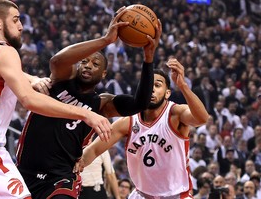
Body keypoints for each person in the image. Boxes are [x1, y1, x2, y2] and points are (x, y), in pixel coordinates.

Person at [0, 0, 113, 199]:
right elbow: (29, 100)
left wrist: (33, 79)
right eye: (15, 20)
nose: (21, 26)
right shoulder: (5, 50)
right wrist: (86, 114)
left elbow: (4, 75)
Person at [16, 8, 162, 198]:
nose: (88, 65)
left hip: (60, 177)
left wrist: (148, 59)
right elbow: (57, 61)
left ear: (103, 74)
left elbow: (139, 104)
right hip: (24, 169)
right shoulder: (61, 80)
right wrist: (105, 41)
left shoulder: (102, 103)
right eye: (84, 61)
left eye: (95, 64)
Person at [74, 58, 209, 198]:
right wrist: (73, 167)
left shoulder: (175, 114)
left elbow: (202, 119)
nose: (151, 89)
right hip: (142, 195)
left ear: (167, 93)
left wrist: (183, 86)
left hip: (175, 195)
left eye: (157, 85)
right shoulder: (128, 121)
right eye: (148, 85)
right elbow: (94, 149)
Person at [79, 134, 120, 199]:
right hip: (78, 190)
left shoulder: (101, 149)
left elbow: (110, 174)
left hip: (96, 190)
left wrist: (118, 197)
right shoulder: (72, 150)